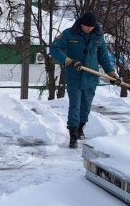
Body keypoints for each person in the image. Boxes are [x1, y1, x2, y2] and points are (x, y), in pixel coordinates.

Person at [51, 12, 119, 148]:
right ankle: (73, 134)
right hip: (74, 76)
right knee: (75, 105)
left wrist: (111, 73)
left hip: (91, 77)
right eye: (86, 26)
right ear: (80, 23)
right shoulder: (69, 34)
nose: (88, 29)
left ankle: (81, 127)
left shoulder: (98, 37)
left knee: (86, 105)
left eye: (91, 27)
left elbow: (104, 57)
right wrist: (68, 60)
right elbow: (55, 48)